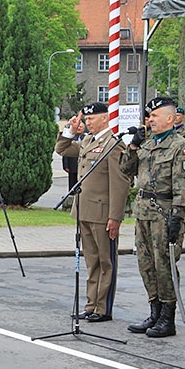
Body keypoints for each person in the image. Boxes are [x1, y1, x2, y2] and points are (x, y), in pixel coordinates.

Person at [120, 97, 185, 338]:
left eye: (155, 116)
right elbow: (125, 169)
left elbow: (184, 186)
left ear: (170, 119)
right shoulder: (148, 143)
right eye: (149, 116)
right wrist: (132, 147)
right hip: (143, 212)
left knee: (164, 264)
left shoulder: (180, 146)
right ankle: (154, 310)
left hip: (164, 213)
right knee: (146, 264)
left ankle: (167, 317)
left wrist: (178, 217)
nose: (149, 120)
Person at [55, 102, 131, 322]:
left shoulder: (113, 144)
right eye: (86, 120)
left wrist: (115, 217)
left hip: (102, 213)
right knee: (91, 261)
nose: (88, 123)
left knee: (106, 261)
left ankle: (103, 308)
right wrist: (70, 129)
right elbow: (62, 149)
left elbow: (120, 184)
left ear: (105, 119)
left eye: (92, 119)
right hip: (84, 210)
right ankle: (91, 305)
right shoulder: (88, 141)